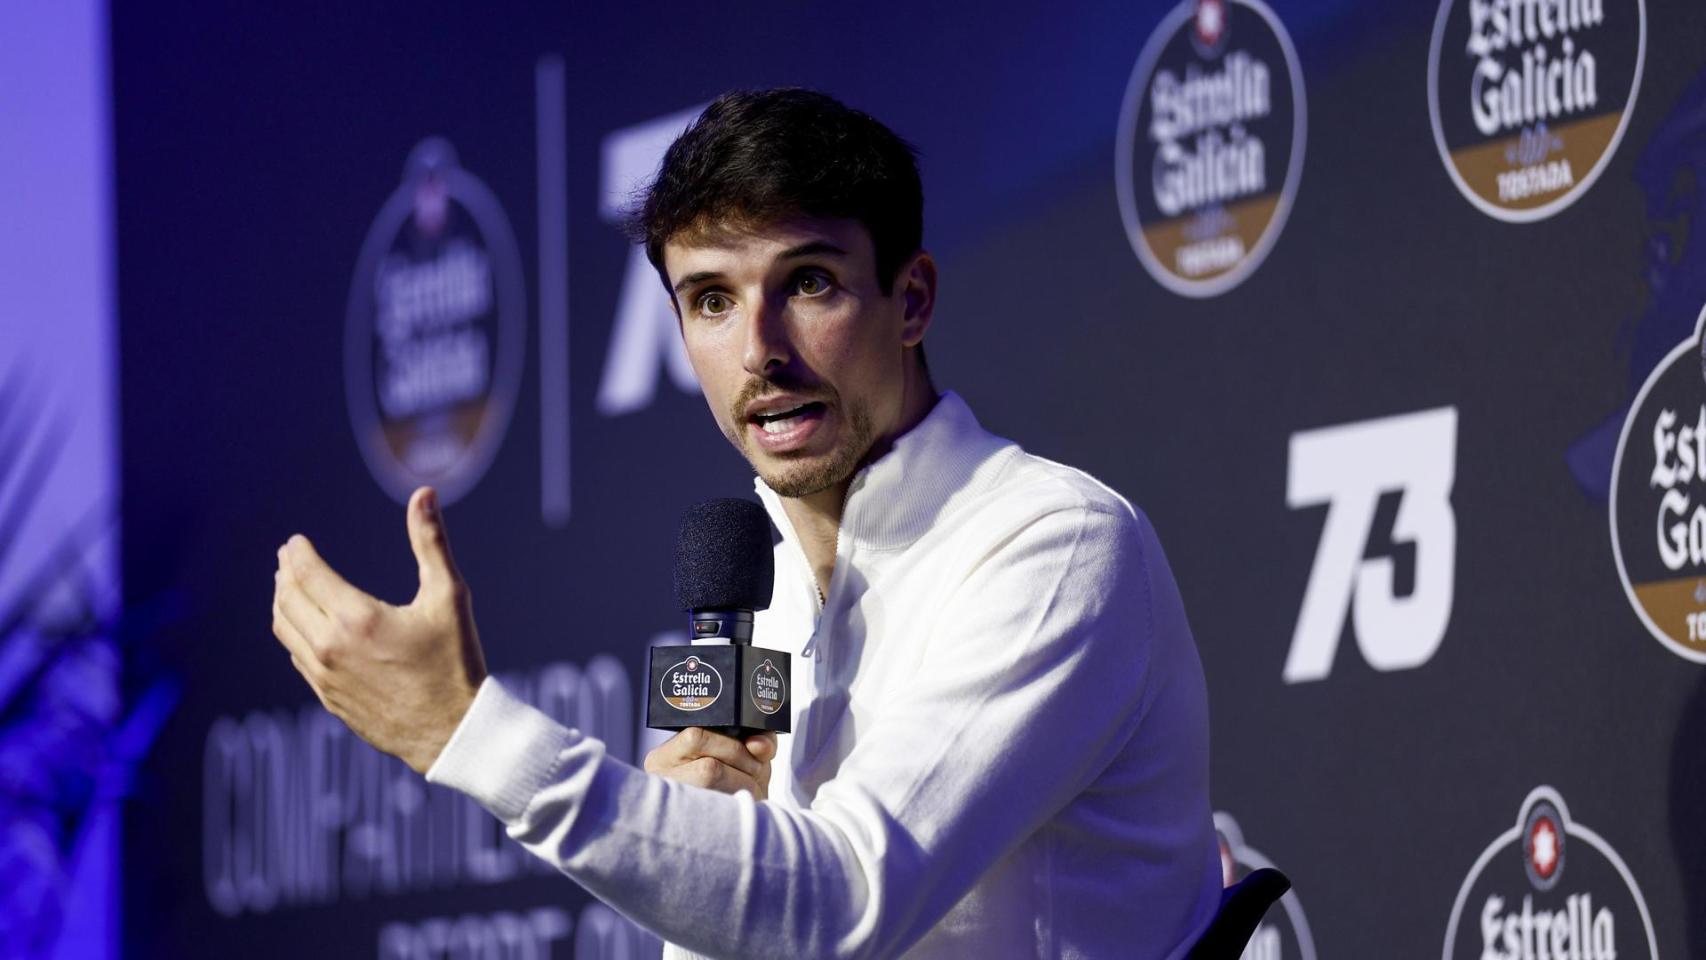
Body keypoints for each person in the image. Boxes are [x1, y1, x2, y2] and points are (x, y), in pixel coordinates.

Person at [271, 88, 1220, 959]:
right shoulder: (756, 601)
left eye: (807, 283)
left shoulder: (1053, 544)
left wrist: (467, 734)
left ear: (912, 299)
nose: (759, 352)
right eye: (713, 300)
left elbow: (845, 895)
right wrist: (700, 864)